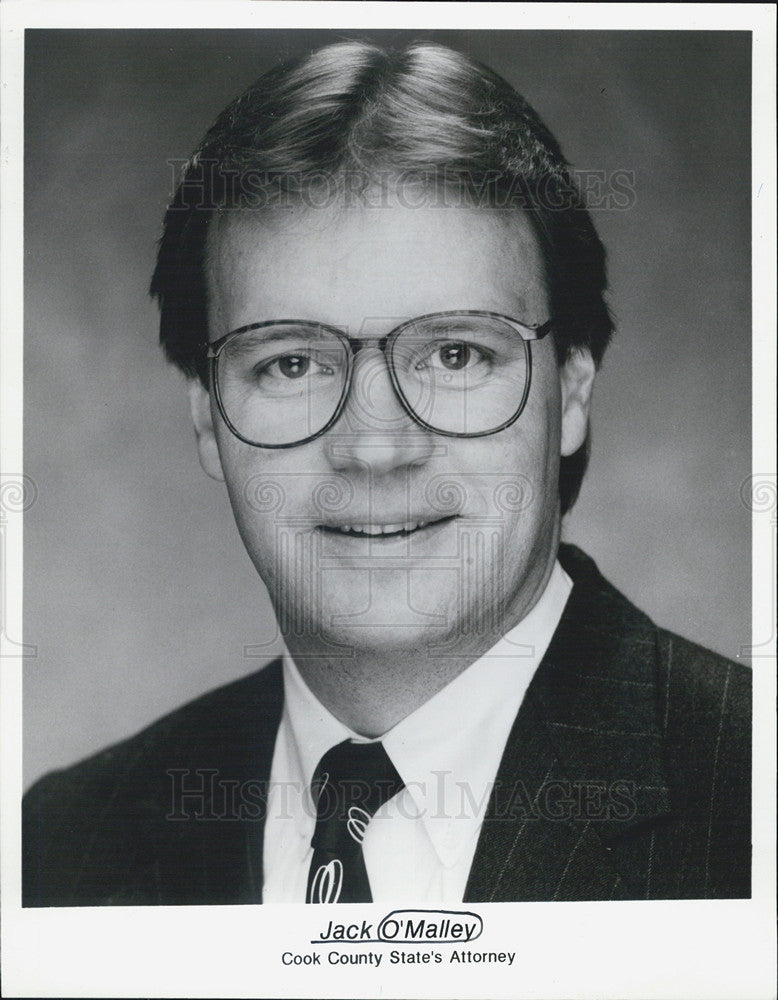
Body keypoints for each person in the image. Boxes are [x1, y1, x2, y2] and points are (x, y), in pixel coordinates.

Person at [23, 39, 750, 906]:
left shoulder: (752, 799)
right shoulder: (62, 846)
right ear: (206, 418)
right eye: (292, 364)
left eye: (454, 352)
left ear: (574, 388)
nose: (376, 447)